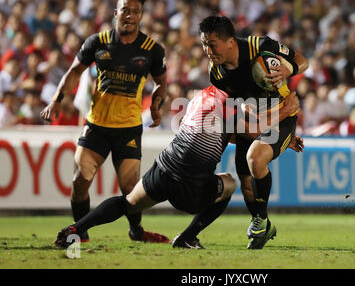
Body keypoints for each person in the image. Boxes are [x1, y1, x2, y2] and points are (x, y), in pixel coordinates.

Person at [54, 86, 304, 249]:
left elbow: (223, 131)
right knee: (229, 184)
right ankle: (187, 237)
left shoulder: (200, 96)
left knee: (128, 202)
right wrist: (285, 113)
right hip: (192, 185)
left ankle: (76, 228)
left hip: (165, 168)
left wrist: (282, 138)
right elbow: (250, 130)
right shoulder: (233, 104)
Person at [40, 0, 169, 244]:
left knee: (131, 191)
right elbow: (74, 72)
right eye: (125, 10)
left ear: (141, 15)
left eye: (135, 11)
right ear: (115, 13)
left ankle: (136, 230)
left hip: (129, 129)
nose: (130, 15)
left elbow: (162, 83)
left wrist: (156, 105)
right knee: (79, 182)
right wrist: (56, 100)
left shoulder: (152, 49)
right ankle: (81, 234)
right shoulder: (96, 42)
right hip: (96, 126)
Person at [198, 15, 309, 249]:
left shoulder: (260, 46)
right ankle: (263, 224)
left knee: (255, 158)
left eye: (212, 44)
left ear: (230, 42)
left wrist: (286, 71)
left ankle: (259, 221)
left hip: (284, 113)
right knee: (246, 183)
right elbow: (236, 108)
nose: (207, 50)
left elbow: (303, 61)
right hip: (254, 120)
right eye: (204, 44)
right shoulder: (216, 74)